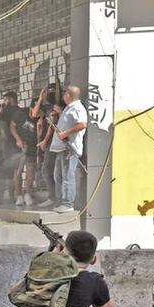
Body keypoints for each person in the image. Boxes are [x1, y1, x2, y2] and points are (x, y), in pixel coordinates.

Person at [50, 86, 88, 214]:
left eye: (65, 93)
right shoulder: (69, 108)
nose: (63, 96)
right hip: (61, 148)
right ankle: (60, 201)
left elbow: (82, 124)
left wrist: (65, 133)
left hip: (69, 149)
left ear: (68, 95)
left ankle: (68, 203)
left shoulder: (77, 108)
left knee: (67, 176)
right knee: (58, 175)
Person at [11, 108, 39, 209]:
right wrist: (18, 139)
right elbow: (12, 126)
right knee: (17, 171)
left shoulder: (39, 117)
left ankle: (27, 194)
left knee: (30, 170)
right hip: (18, 147)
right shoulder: (21, 113)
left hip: (32, 146)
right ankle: (19, 196)